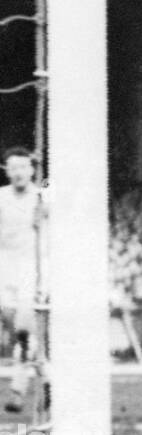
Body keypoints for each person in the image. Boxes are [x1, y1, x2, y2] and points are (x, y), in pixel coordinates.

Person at [0, 148, 48, 413]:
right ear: (6, 170)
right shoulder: (1, 197)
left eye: (23, 166)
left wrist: (45, 201)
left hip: (32, 269)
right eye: (12, 167)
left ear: (31, 168)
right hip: (4, 269)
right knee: (23, 338)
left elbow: (59, 188)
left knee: (24, 332)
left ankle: (18, 391)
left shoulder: (43, 196)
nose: (18, 172)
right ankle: (48, 378)